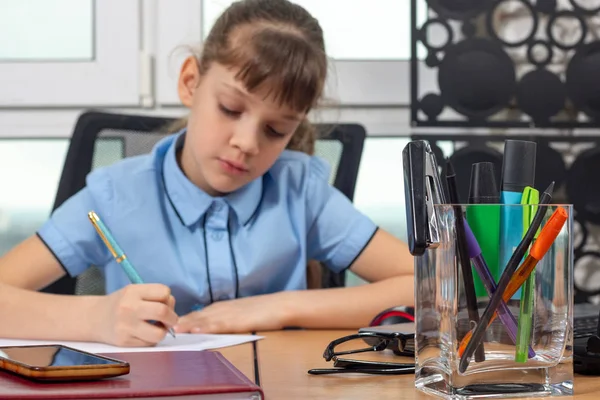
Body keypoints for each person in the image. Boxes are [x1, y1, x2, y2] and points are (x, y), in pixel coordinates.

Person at [0, 0, 414, 347]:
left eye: (275, 130)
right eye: (231, 109)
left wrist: (277, 306)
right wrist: (98, 318)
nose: (247, 143)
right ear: (190, 81)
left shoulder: (300, 190)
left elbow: (432, 282)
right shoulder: (114, 195)